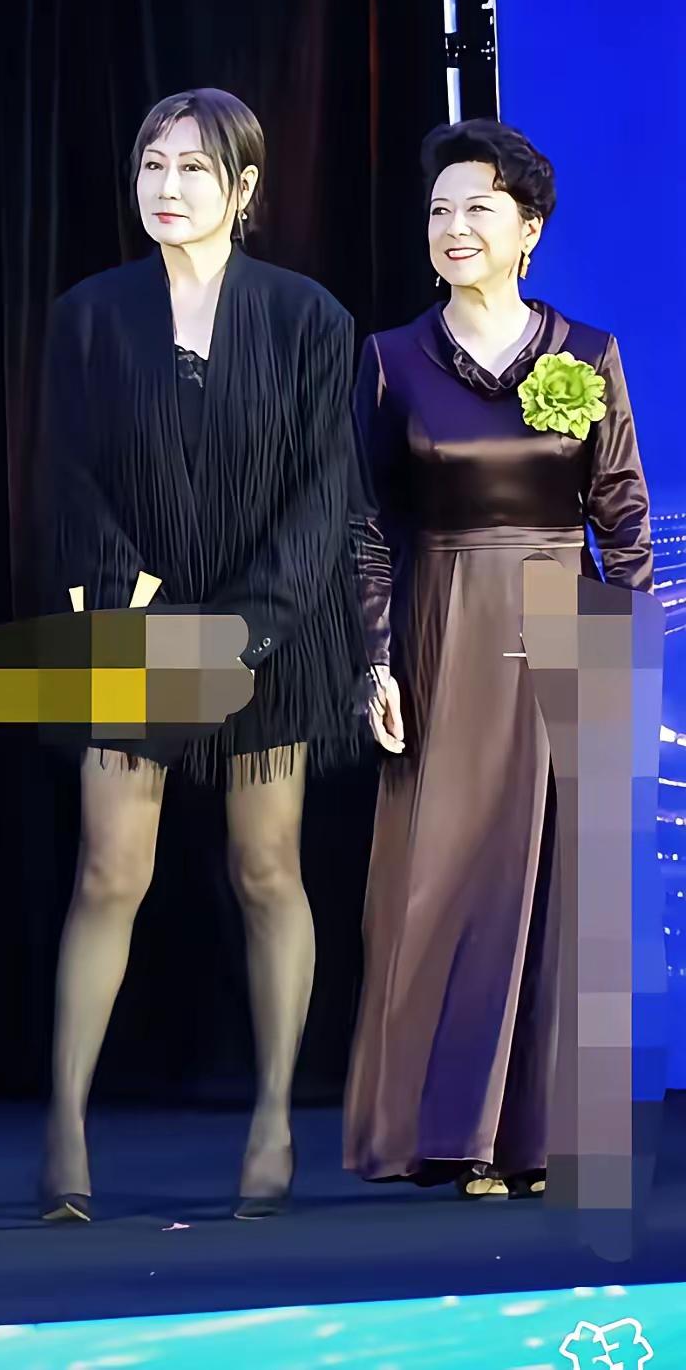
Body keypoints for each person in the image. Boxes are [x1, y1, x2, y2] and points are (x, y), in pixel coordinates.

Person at [38, 87, 366, 1221]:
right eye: (152, 166)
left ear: (246, 188)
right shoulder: (90, 315)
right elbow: (68, 483)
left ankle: (274, 1120)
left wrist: (246, 631)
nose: (167, 188)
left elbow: (327, 494)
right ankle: (64, 1130)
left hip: (270, 635)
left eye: (193, 169)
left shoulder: (309, 318)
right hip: (131, 631)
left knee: (267, 871)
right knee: (108, 872)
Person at [343, 118, 652, 1198]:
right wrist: (377, 661)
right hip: (445, 624)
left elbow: (624, 519)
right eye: (439, 210)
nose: (454, 226)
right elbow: (366, 524)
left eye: (479, 206)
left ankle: (539, 1140)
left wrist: (624, 651)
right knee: (444, 879)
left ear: (530, 229)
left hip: (563, 624)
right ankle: (446, 1133)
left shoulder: (587, 355)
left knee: (559, 880)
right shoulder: (390, 360)